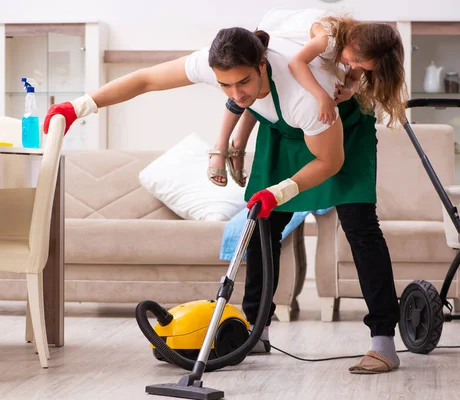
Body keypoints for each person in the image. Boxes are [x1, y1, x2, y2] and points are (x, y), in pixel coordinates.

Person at [43, 8, 406, 374]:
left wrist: (280, 191)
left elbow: (329, 162)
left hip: (337, 126)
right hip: (283, 132)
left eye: (243, 83)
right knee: (262, 228)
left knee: (359, 227)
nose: (236, 94)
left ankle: (383, 342)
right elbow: (146, 80)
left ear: (263, 65)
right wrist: (79, 107)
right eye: (225, 86)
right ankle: (256, 330)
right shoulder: (216, 62)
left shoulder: (304, 97)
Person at [208, 8, 405, 187]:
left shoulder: (358, 54)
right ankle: (227, 145)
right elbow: (296, 63)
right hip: (275, 29)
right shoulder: (329, 39)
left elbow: (353, 78)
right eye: (356, 61)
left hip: (294, 41)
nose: (354, 66)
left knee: (261, 97)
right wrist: (322, 97)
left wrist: (350, 91)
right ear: (355, 43)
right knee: (247, 86)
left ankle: (237, 145)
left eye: (362, 66)